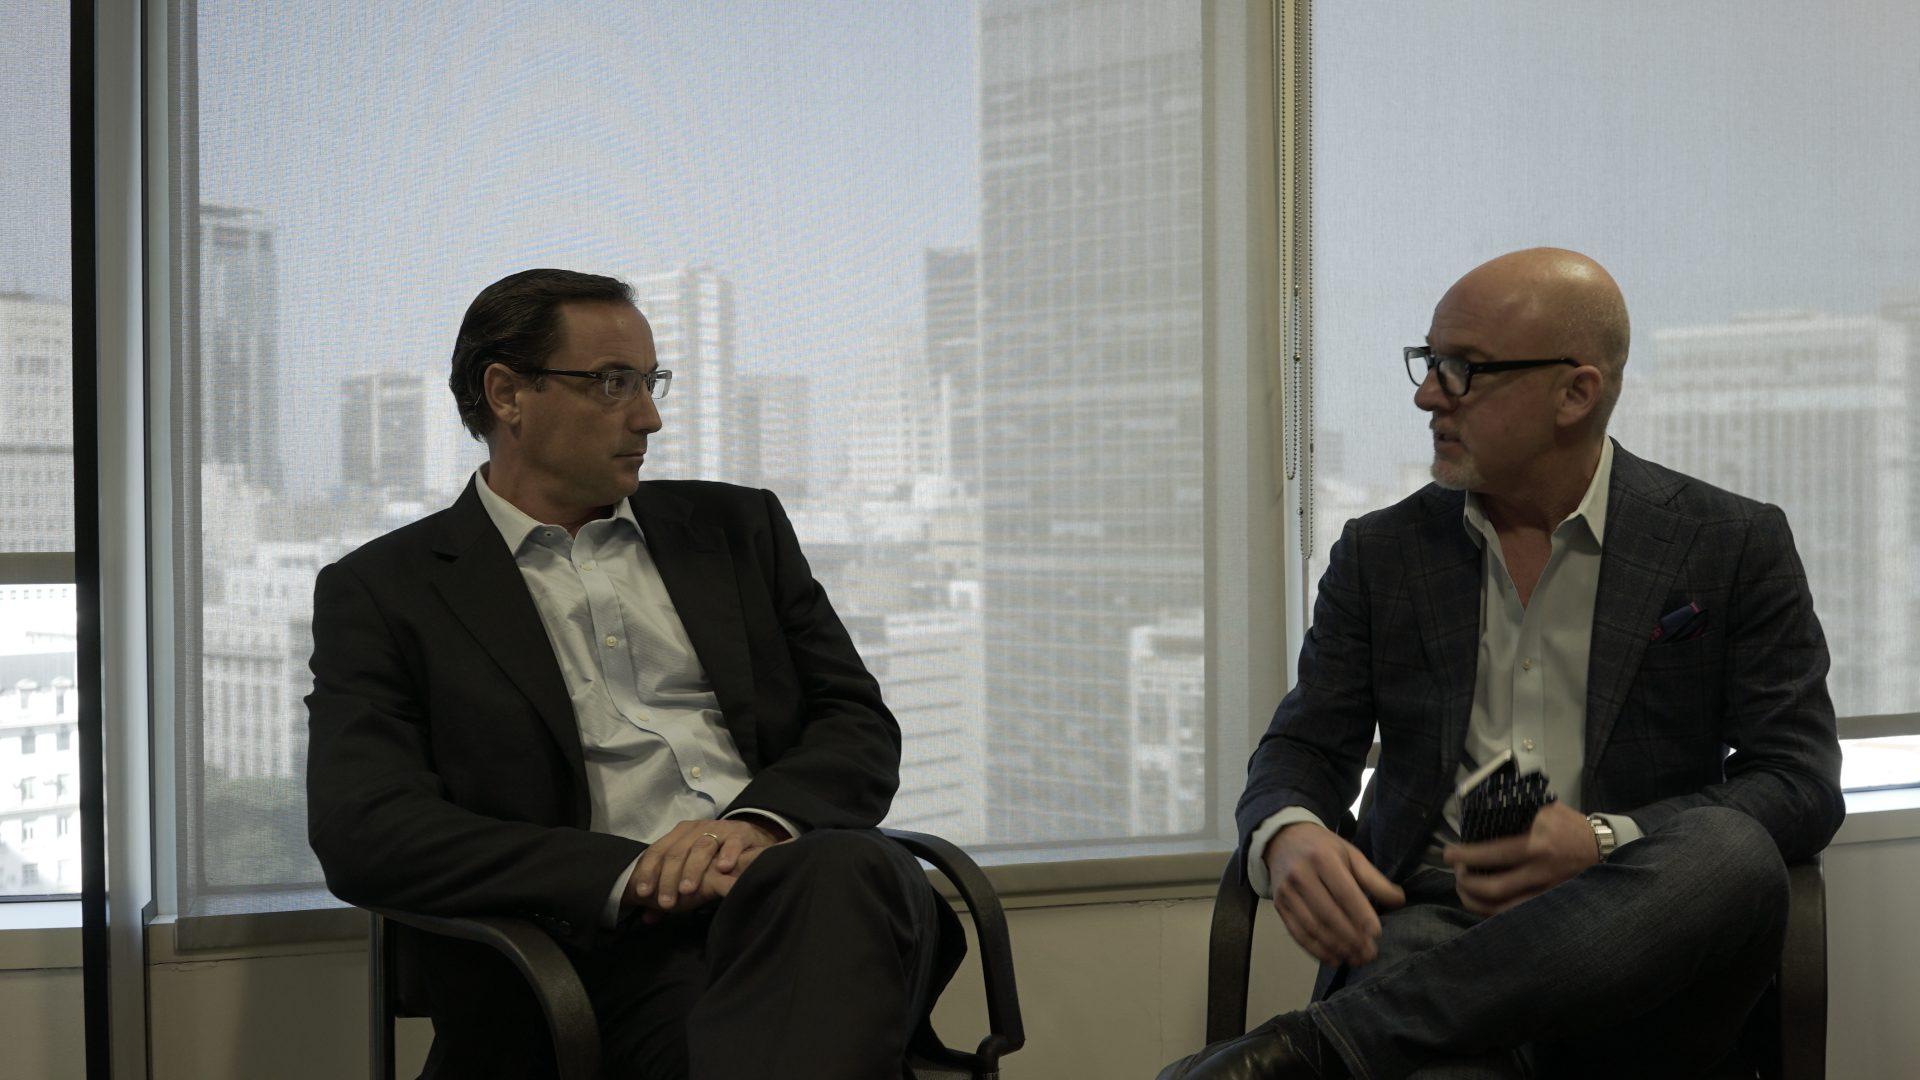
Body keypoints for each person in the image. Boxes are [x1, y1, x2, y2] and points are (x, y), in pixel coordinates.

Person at [1159, 248, 1844, 1079]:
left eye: (1462, 369)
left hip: (1640, 942)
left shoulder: (1730, 542)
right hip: (1435, 922)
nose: (1427, 394)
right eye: (1428, 361)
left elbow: (1798, 781)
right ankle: (1356, 1041)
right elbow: (1304, 746)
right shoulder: (1382, 553)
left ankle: (1318, 1050)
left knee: (1730, 853)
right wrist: (1288, 832)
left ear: (1575, 393)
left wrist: (1600, 842)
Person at [306, 268, 959, 1079]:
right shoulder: (386, 590)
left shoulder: (737, 529)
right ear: (507, 394)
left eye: (651, 382)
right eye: (613, 383)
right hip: (589, 961)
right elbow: (366, 828)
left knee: (847, 869)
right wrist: (632, 871)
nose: (649, 416)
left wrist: (755, 827)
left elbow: (856, 723)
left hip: (803, 899)